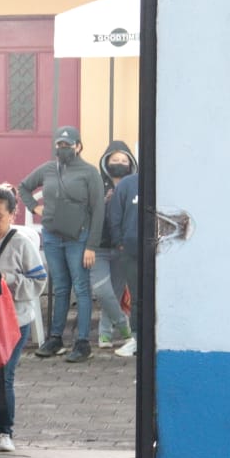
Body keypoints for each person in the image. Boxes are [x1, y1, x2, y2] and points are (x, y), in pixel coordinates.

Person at [18, 126, 106, 363]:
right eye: (59, 145)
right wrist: (33, 206)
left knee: (81, 287)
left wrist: (91, 246)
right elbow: (23, 187)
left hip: (78, 239)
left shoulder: (90, 173)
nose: (63, 149)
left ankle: (83, 342)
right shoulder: (48, 169)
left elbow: (98, 211)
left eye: (67, 145)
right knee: (59, 288)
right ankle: (55, 338)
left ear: (78, 146)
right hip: (52, 237)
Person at [0, 185, 47, 453]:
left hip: (15, 320)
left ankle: (4, 431)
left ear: (12, 215)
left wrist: (7, 280)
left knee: (4, 375)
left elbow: (39, 281)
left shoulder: (21, 243)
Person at [92, 142, 137, 349]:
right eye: (114, 160)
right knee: (103, 291)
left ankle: (105, 334)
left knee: (117, 291)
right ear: (106, 162)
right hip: (99, 247)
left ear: (131, 163)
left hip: (122, 247)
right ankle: (123, 325)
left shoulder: (134, 186)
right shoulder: (96, 184)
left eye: (124, 160)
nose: (119, 164)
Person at [107, 164, 141, 358]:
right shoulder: (127, 184)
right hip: (132, 251)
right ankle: (137, 339)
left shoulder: (167, 182)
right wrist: (120, 242)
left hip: (162, 252)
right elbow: (115, 215)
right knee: (137, 298)